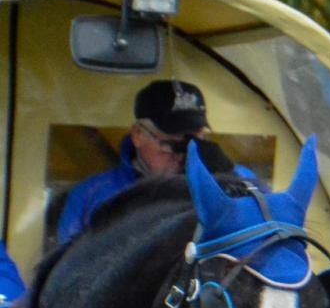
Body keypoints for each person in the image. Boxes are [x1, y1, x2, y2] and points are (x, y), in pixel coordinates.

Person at [55, 78, 216, 246]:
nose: (182, 154)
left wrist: (222, 180)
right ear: (138, 134)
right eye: (170, 144)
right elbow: (68, 266)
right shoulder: (89, 196)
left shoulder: (230, 182)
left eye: (194, 142)